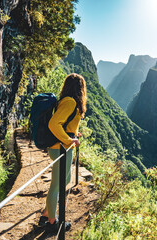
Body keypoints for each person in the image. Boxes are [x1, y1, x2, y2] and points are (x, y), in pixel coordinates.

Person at [39, 73, 87, 231]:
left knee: (62, 181)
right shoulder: (70, 102)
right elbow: (54, 124)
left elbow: (65, 123)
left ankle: (47, 213)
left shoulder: (68, 101)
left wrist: (73, 133)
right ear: (80, 88)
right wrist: (68, 140)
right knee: (57, 184)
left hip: (63, 147)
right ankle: (52, 222)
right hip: (61, 148)